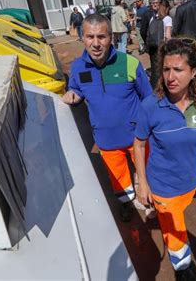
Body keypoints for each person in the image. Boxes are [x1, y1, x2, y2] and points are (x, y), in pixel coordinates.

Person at [133, 38, 196, 281]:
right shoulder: (150, 107)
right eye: (165, 69)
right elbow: (139, 145)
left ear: (194, 72)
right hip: (163, 185)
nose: (170, 76)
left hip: (190, 180)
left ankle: (163, 218)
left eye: (178, 69)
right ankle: (183, 268)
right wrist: (142, 183)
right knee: (175, 231)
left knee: (177, 215)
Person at [63, 14, 153, 222]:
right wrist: (73, 94)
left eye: (101, 37)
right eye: (90, 37)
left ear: (111, 37)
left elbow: (147, 98)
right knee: (119, 180)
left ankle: (150, 202)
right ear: (82, 38)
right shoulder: (78, 67)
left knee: (146, 174)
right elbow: (76, 87)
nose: (96, 43)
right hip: (106, 140)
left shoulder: (129, 63)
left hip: (137, 138)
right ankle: (126, 205)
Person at [146, 0, 172, 89]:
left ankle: (153, 89)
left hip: (152, 47)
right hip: (162, 47)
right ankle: (161, 90)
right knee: (162, 70)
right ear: (167, 8)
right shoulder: (167, 18)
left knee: (154, 70)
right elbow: (168, 37)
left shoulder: (153, 18)